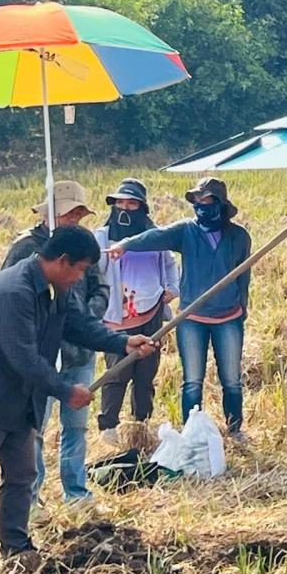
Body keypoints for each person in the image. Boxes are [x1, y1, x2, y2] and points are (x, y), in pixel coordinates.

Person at [0, 226, 157, 568]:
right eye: (80, 269)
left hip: (15, 399)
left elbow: (79, 325)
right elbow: (22, 356)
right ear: (62, 261)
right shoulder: (13, 291)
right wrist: (65, 391)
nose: (80, 278)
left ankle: (16, 549)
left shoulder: (56, 289)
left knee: (22, 474)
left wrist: (123, 342)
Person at [105, 178, 252, 442]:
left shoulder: (239, 236)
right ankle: (191, 433)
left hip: (228, 317)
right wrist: (125, 246)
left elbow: (244, 276)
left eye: (206, 200)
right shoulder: (186, 231)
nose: (200, 206)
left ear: (220, 203)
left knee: (231, 379)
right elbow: (155, 237)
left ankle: (234, 429)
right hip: (191, 317)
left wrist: (242, 307)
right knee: (192, 380)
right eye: (197, 201)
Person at [0, 180, 106, 506]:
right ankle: (31, 497)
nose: (75, 219)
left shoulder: (84, 244)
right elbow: (8, 299)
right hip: (40, 356)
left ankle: (76, 492)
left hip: (79, 353)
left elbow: (101, 288)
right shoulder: (25, 248)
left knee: (77, 425)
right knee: (34, 428)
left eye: (78, 214)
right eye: (69, 213)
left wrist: (85, 320)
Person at [93, 178, 180, 446]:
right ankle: (109, 425)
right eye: (120, 203)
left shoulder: (155, 236)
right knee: (117, 370)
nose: (125, 208)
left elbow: (169, 263)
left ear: (142, 207)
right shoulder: (102, 237)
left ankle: (141, 423)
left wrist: (172, 288)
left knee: (146, 371)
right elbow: (92, 272)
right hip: (117, 316)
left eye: (131, 204)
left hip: (150, 309)